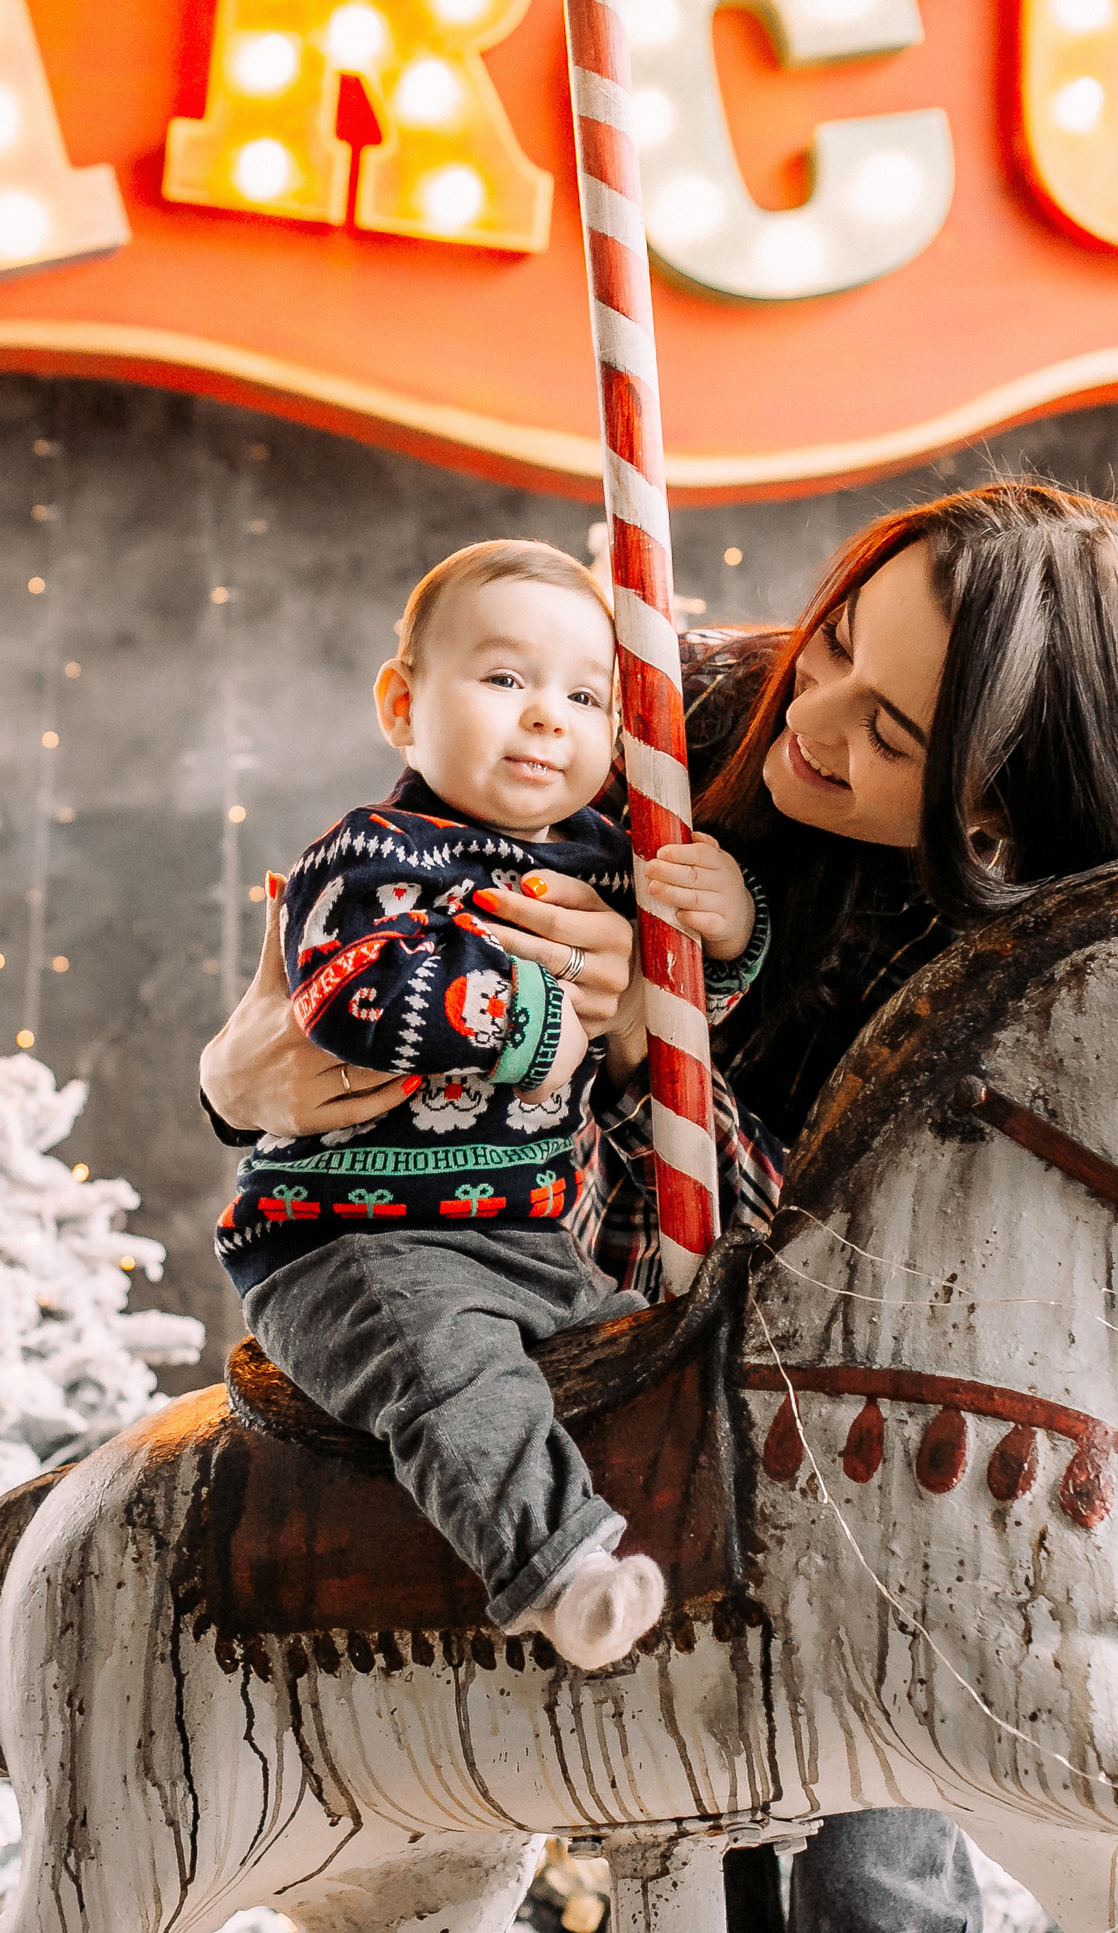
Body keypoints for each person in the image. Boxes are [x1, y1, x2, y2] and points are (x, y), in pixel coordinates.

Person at [201, 481, 1118, 1933]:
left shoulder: (1036, 971)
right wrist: (244, 1075)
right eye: (836, 644)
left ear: (995, 816)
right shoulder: (657, 710)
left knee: (879, 1821)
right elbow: (366, 912)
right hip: (531, 1245)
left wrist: (659, 1016)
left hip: (859, 1393)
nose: (815, 714)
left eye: (891, 734)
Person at [219, 538, 767, 1671]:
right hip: (355, 1243)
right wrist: (527, 1025)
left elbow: (670, 1022)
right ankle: (556, 1573)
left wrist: (726, 932)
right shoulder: (368, 857)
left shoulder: (611, 855)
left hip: (525, 1235)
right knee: (449, 1372)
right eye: (505, 679)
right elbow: (351, 996)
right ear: (402, 703)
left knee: (645, 1360)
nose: (546, 718)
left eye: (583, 695)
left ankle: (707, 1581)